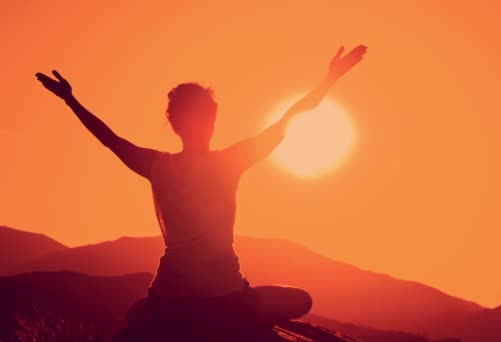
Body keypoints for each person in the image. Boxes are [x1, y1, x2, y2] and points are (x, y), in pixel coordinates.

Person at [35, 45, 367, 329]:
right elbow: (289, 120)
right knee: (300, 299)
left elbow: (109, 139)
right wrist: (331, 78)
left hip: (168, 300)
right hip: (225, 297)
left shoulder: (156, 165)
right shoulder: (230, 161)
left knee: (135, 313)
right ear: (213, 120)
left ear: (173, 121)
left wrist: (71, 100)